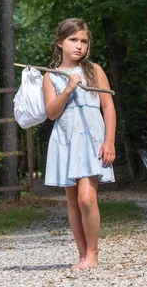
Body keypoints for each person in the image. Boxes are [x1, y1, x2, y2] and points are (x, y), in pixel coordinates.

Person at [42, 18, 116, 269]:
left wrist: (109, 141)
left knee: (86, 198)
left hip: (92, 139)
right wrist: (68, 89)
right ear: (60, 43)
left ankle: (93, 253)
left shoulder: (94, 70)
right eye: (73, 40)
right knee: (73, 202)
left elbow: (108, 107)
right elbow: (51, 113)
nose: (79, 46)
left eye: (84, 41)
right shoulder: (51, 77)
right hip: (65, 140)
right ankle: (83, 255)